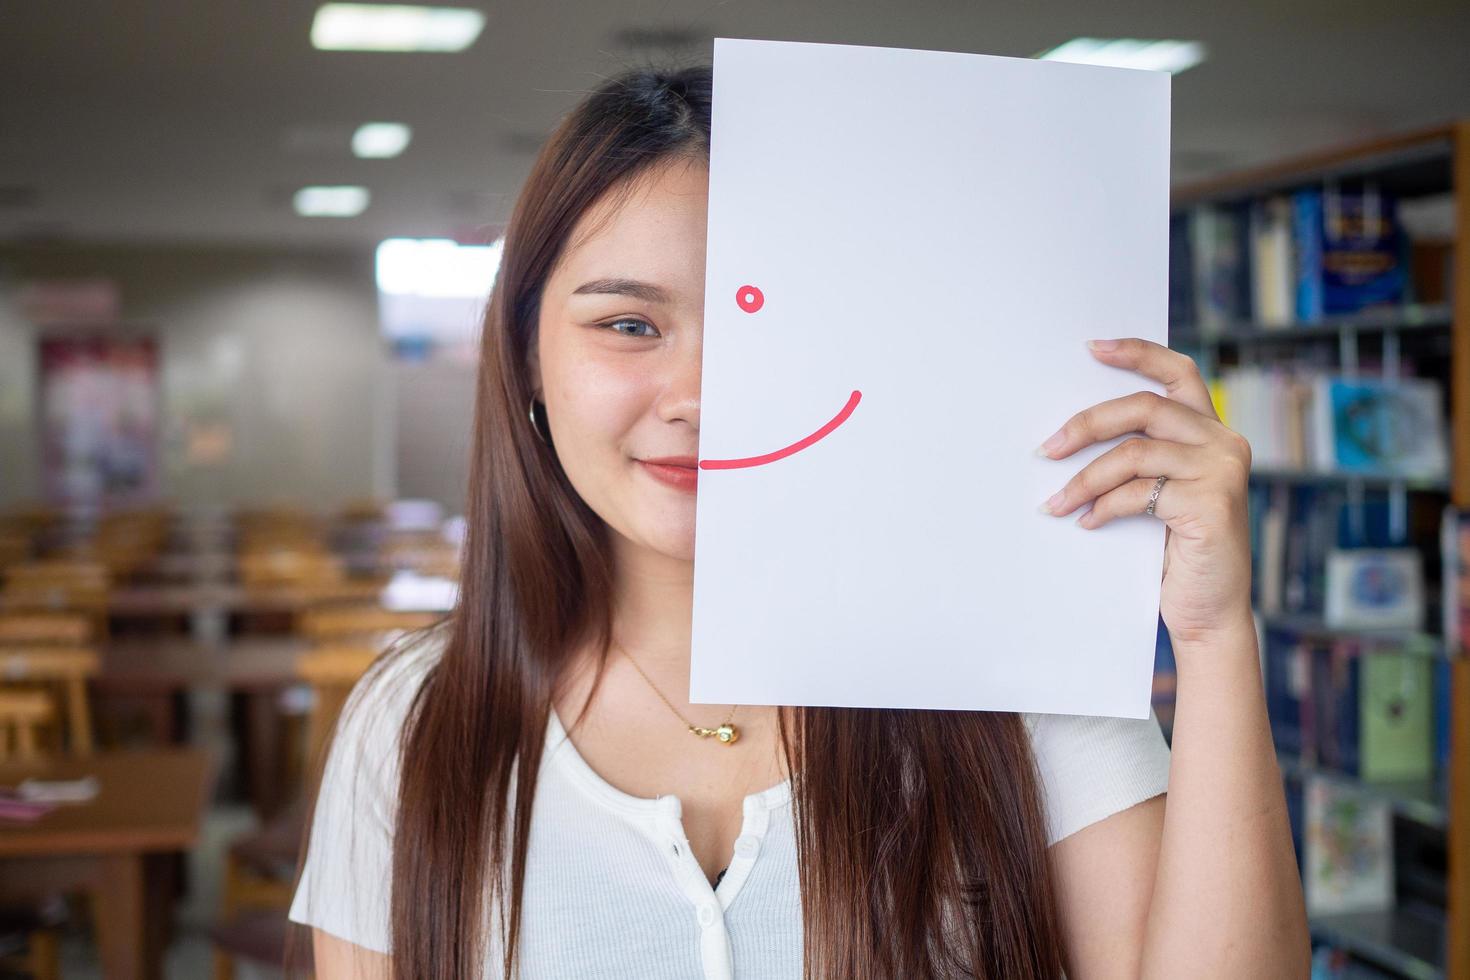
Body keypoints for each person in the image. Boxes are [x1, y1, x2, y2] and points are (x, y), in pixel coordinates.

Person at [288, 63, 1310, 979]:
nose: (701, 392)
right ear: (525, 360)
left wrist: (1217, 636)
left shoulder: (1016, 664)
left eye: (767, 321)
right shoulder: (411, 720)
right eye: (629, 324)